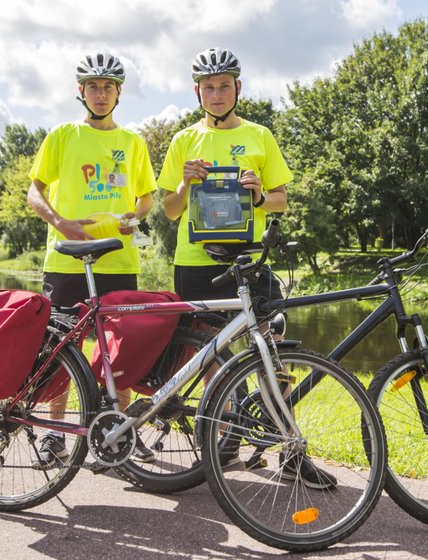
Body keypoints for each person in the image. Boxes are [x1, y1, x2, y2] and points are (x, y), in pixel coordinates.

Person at [157, 47, 337, 490]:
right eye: (208, 87)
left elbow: (282, 200)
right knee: (209, 353)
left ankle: (291, 453)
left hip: (249, 260)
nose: (216, 94)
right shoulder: (183, 140)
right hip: (196, 263)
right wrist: (184, 183)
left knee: (273, 348)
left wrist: (259, 194)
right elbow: (169, 210)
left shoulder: (260, 135)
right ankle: (228, 438)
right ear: (196, 91)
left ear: (238, 88)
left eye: (224, 86)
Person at [27, 52, 156, 466]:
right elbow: (34, 192)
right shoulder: (62, 135)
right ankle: (55, 436)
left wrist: (134, 217)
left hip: (118, 260)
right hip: (66, 259)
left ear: (119, 92)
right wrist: (61, 223)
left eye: (108, 87)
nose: (100, 94)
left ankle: (121, 433)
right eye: (93, 87)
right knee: (61, 347)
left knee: (124, 349)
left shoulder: (132, 143)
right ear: (80, 91)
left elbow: (147, 198)